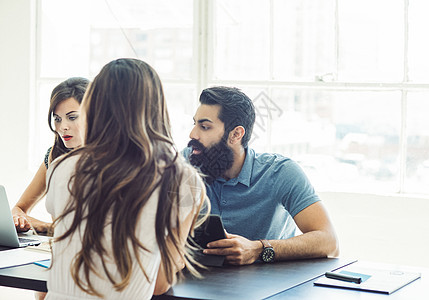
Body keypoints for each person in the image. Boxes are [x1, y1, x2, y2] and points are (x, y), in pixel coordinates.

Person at [44, 58, 209, 299]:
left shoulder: (60, 167)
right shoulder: (183, 181)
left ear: (94, 106)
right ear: (156, 109)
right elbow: (160, 284)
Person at [184, 86, 339, 265]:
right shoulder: (185, 163)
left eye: (204, 127)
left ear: (236, 134)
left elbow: (329, 243)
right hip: (198, 281)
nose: (192, 134)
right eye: (194, 124)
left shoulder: (281, 172)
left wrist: (258, 249)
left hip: (268, 286)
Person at [12, 77, 89, 233]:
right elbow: (19, 209)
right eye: (57, 119)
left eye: (72, 117)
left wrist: (49, 228)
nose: (62, 127)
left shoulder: (109, 160)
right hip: (58, 249)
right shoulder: (54, 156)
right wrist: (22, 220)